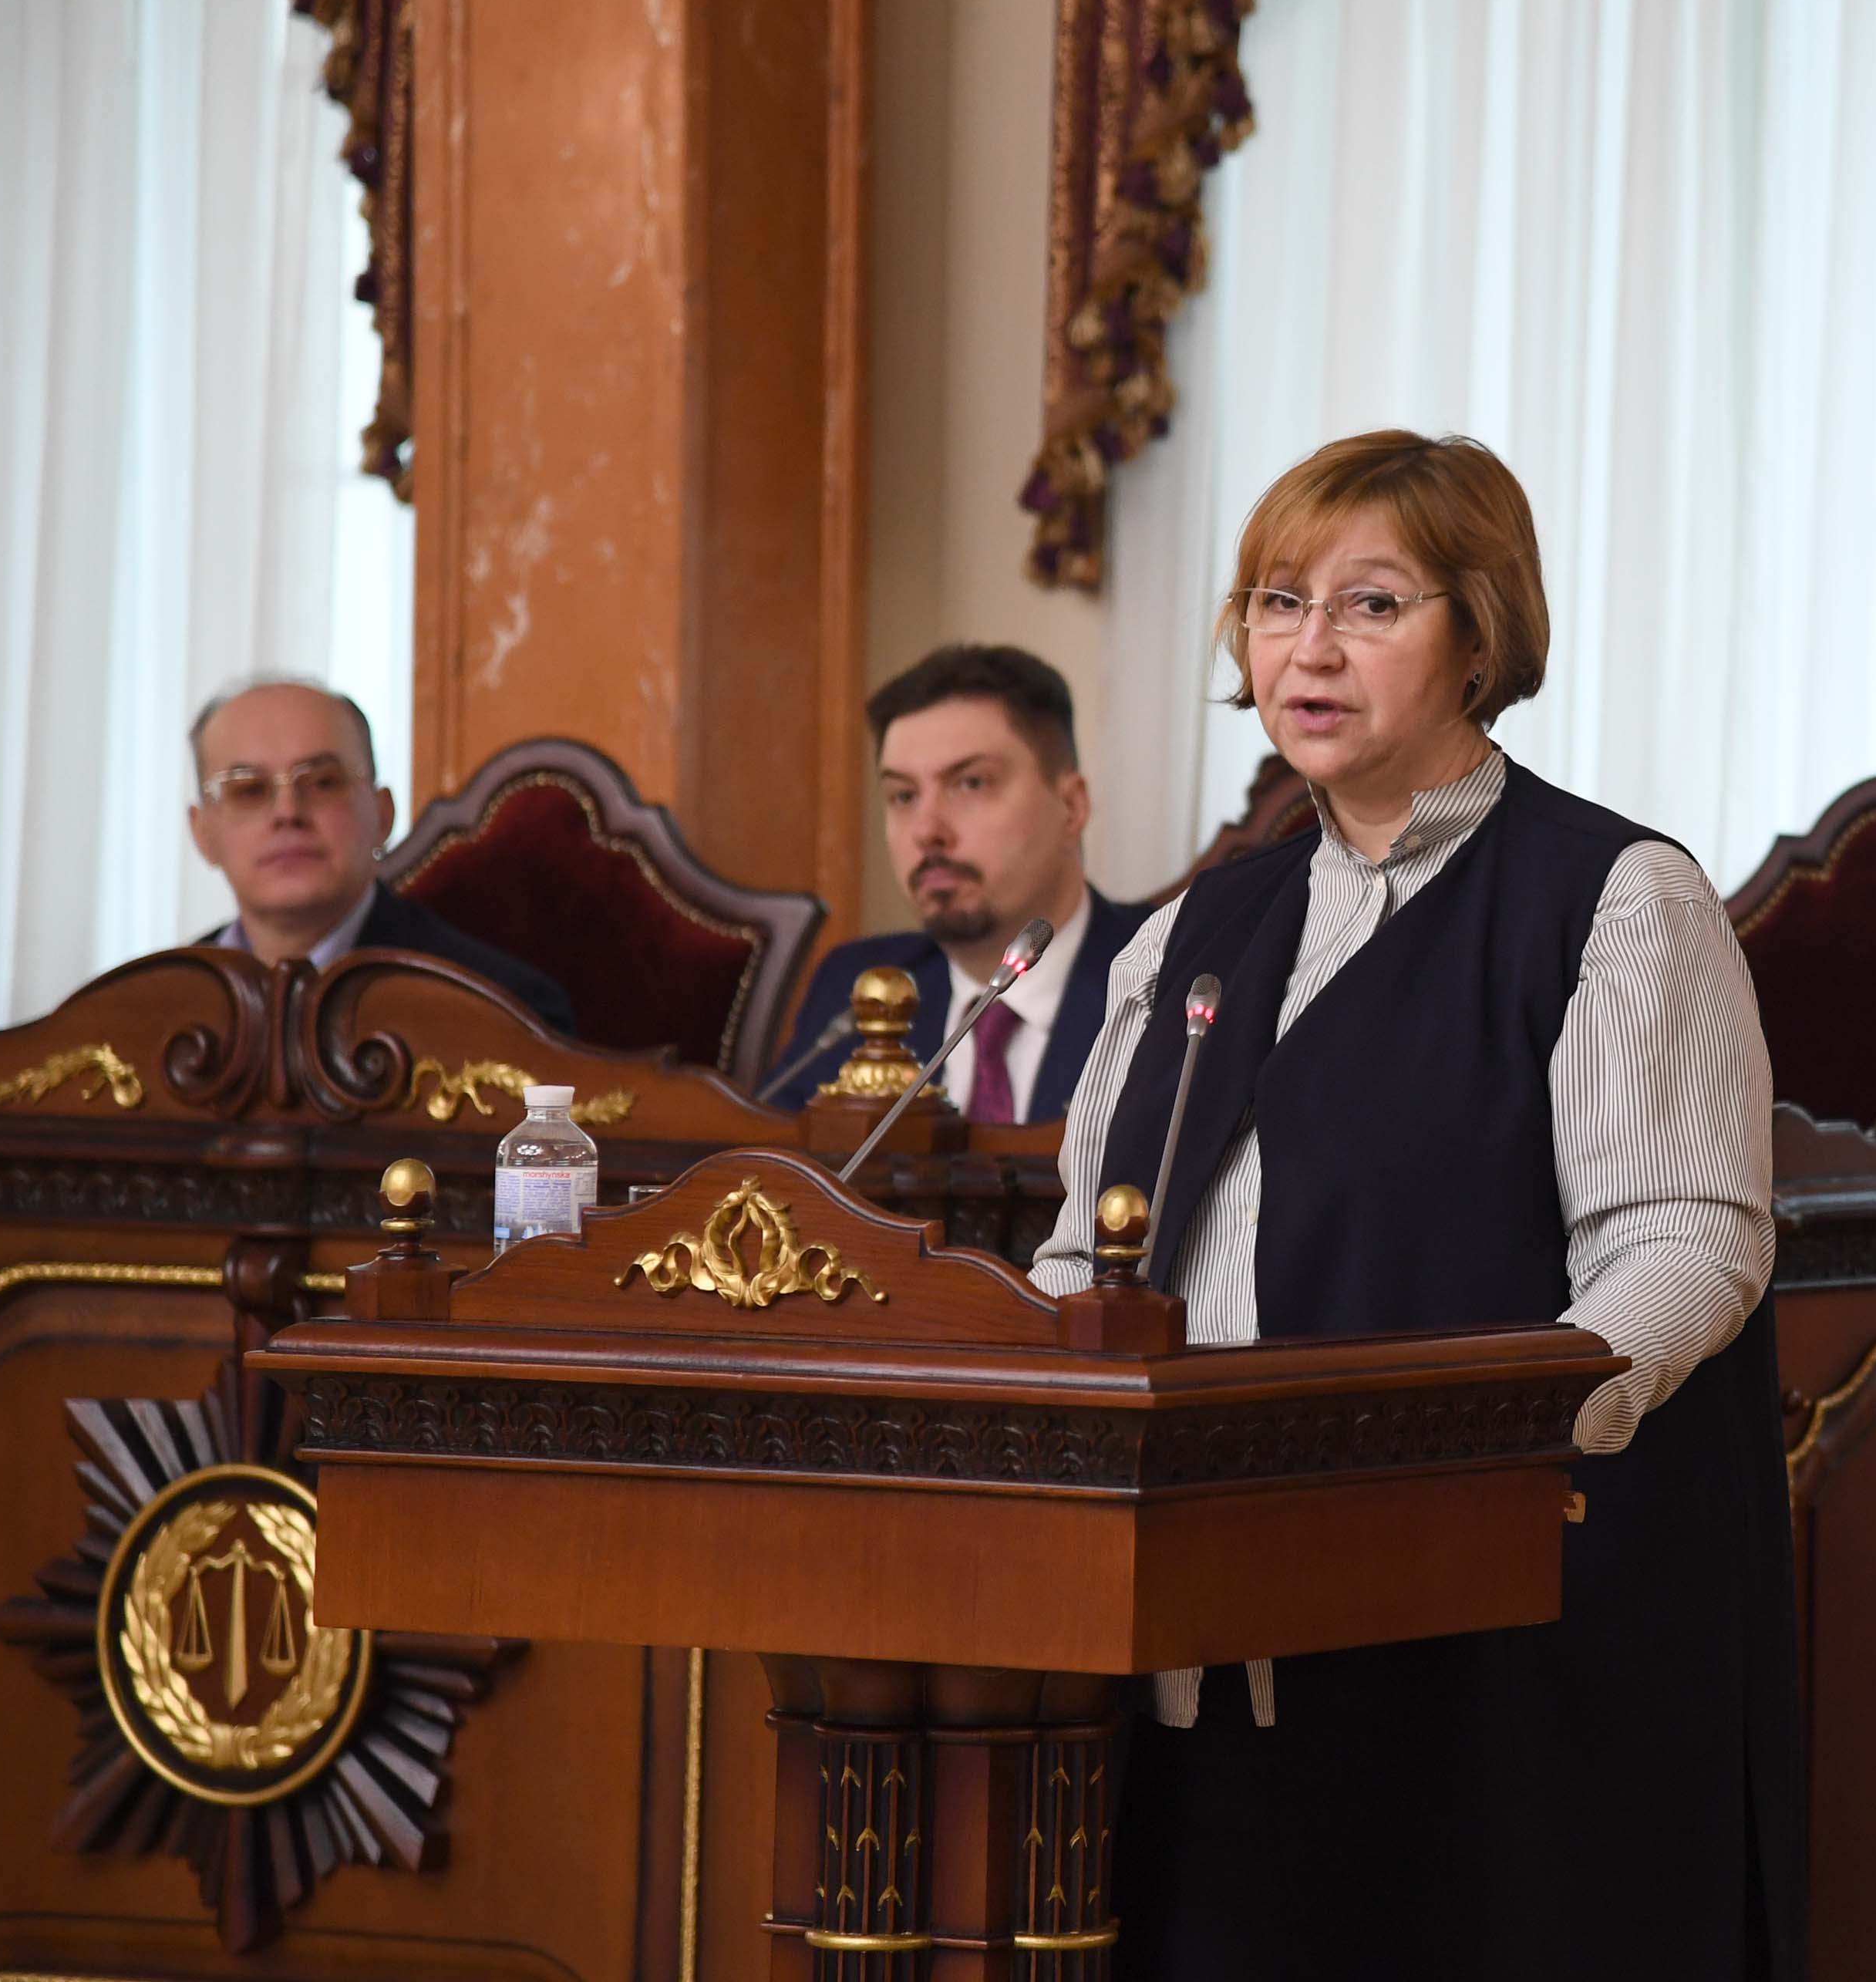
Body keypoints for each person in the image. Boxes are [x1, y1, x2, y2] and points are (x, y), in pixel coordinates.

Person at [1029, 433, 1807, 1980]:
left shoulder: (1614, 896)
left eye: (1370, 605)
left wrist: (1489, 1446)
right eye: (1277, 602)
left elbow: (1686, 1241)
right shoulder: (1197, 925)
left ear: (1480, 632)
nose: (1308, 648)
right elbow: (1079, 1249)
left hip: (1498, 1620)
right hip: (1202, 1613)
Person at [763, 645, 1151, 1117]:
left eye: (971, 784)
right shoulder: (858, 989)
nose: (926, 830)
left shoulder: (1167, 983)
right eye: (904, 796)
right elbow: (773, 1152)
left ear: (1070, 808)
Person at [187, 677, 577, 1037]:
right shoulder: (159, 1004)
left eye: (323, 782)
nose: (288, 813)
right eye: (249, 789)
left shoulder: (502, 1010)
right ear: (201, 832)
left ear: (383, 814)